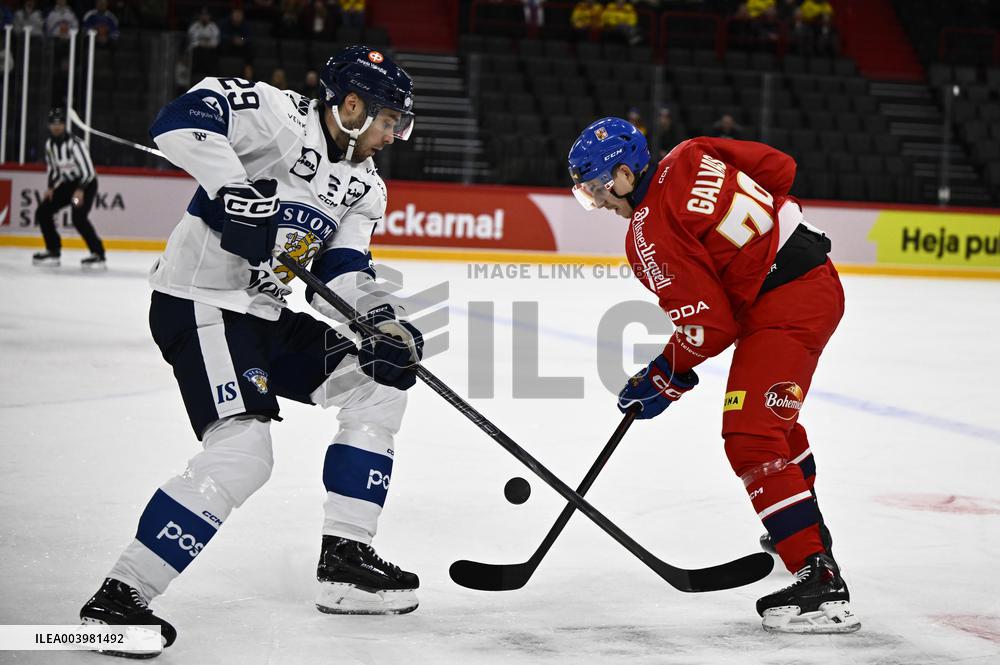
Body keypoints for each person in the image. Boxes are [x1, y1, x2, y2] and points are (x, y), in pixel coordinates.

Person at [78, 45, 423, 657]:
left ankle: (345, 560)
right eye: (389, 120)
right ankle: (118, 599)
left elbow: (342, 270)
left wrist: (382, 322)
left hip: (263, 315)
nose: (394, 135)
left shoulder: (365, 185)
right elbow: (179, 120)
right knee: (243, 454)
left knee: (376, 383)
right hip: (199, 301)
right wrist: (234, 190)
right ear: (351, 107)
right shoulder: (277, 115)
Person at [566, 117, 859, 635]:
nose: (599, 202)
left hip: (786, 305)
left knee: (751, 436)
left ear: (626, 174)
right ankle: (804, 534)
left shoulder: (648, 233)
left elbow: (709, 328)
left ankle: (820, 585)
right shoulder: (694, 150)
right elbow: (781, 169)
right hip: (812, 281)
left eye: (597, 189)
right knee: (775, 426)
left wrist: (664, 374)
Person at [32, 108, 105, 269]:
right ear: (49, 125)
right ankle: (53, 250)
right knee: (43, 211)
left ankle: (98, 254)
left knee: (78, 218)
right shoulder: (50, 145)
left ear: (64, 125)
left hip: (86, 183)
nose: (56, 127)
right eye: (53, 123)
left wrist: (80, 190)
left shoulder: (76, 144)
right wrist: (51, 187)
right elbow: (53, 169)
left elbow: (89, 172)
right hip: (68, 184)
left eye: (59, 123)